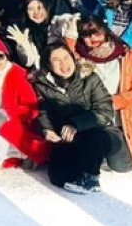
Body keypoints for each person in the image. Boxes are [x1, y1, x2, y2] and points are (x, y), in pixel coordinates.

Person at [73, 18, 132, 174]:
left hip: (123, 118)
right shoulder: (78, 59)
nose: (93, 38)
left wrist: (114, 101)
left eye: (96, 33)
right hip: (94, 120)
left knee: (122, 165)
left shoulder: (126, 58)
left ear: (105, 32)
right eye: (86, 34)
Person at [34, 43, 119, 194]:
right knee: (59, 178)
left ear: (73, 58)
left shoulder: (89, 77)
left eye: (66, 57)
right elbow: (43, 112)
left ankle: (91, 177)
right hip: (70, 138)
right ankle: (82, 164)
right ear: (48, 64)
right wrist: (46, 129)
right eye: (56, 60)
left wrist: (76, 124)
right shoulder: (43, 85)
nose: (64, 64)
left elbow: (105, 110)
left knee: (91, 138)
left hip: (101, 133)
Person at [0, 35, 49, 177]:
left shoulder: (17, 74)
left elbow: (32, 107)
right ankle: (22, 154)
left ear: (6, 55)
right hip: (1, 127)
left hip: (20, 125)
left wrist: (6, 114)